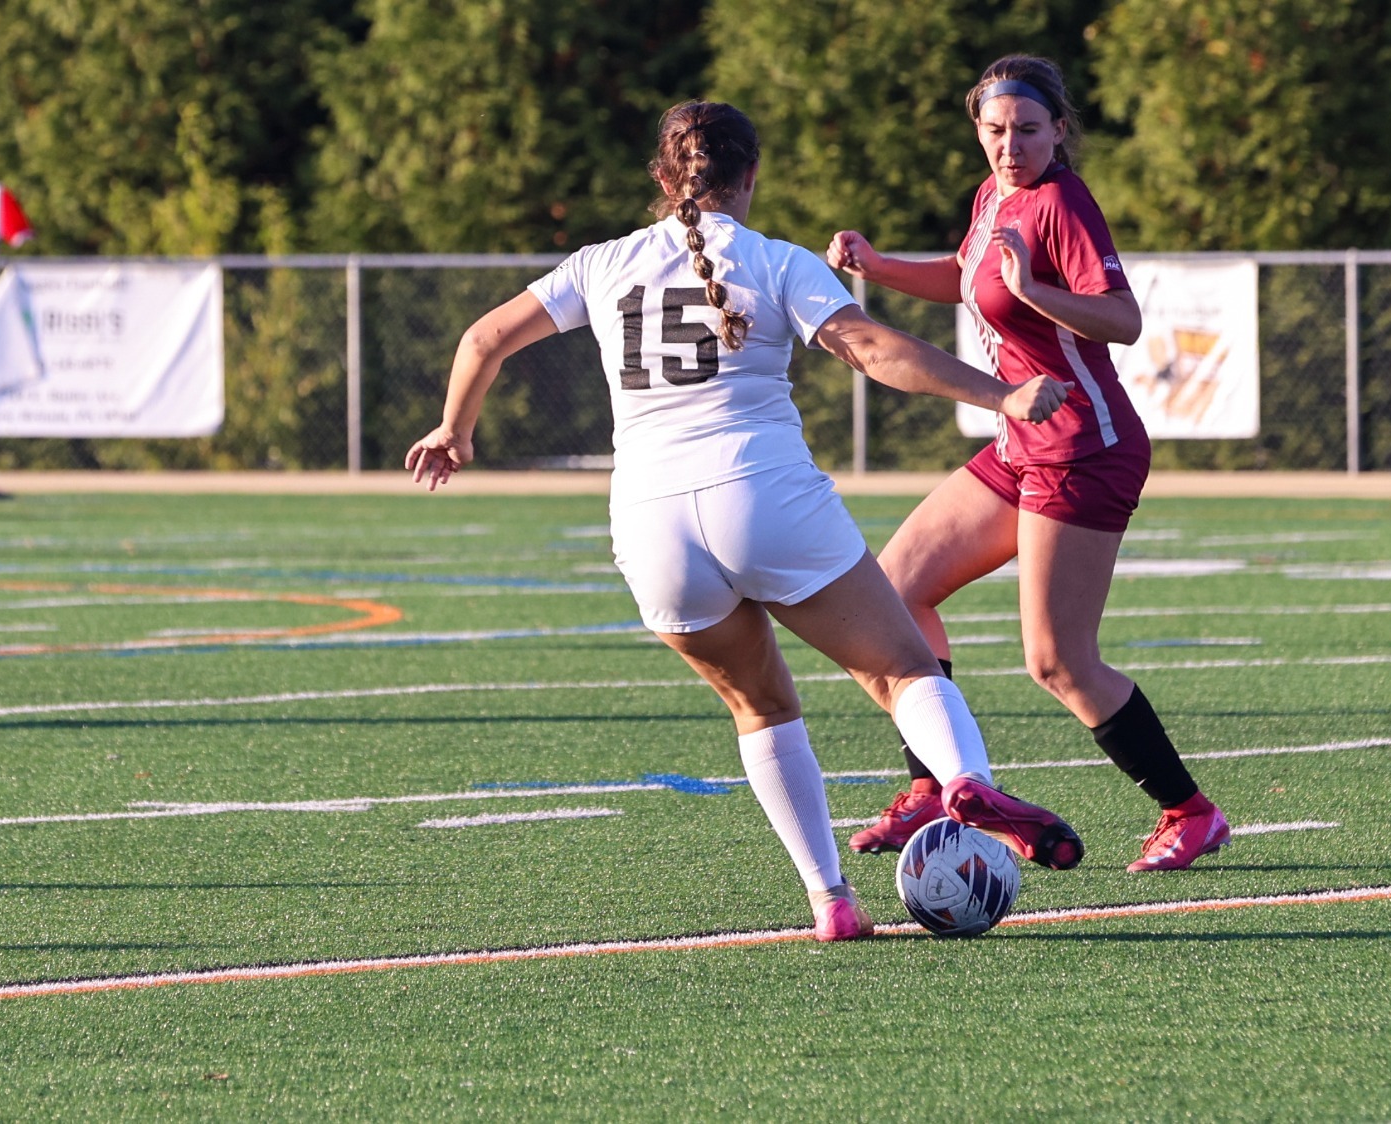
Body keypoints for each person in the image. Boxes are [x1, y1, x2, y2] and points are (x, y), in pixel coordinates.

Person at [406, 101, 1085, 943]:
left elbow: (483, 338)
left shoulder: (601, 263)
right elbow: (871, 350)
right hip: (761, 495)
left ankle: (829, 898)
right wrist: (1002, 394)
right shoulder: (773, 260)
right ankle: (965, 780)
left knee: (760, 708)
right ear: (752, 176)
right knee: (905, 670)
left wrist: (455, 429)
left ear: (661, 179)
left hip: (650, 523)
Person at [826, 56, 1231, 871]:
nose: (1010, 145)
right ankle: (930, 790)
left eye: (1028, 130)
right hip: (1018, 445)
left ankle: (1190, 811)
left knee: (1056, 662)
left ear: (1058, 132)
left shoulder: (1063, 202)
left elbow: (1121, 319)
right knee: (894, 595)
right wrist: (877, 266)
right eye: (996, 130)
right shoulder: (994, 195)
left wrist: (1036, 289)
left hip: (1085, 451)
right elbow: (965, 278)